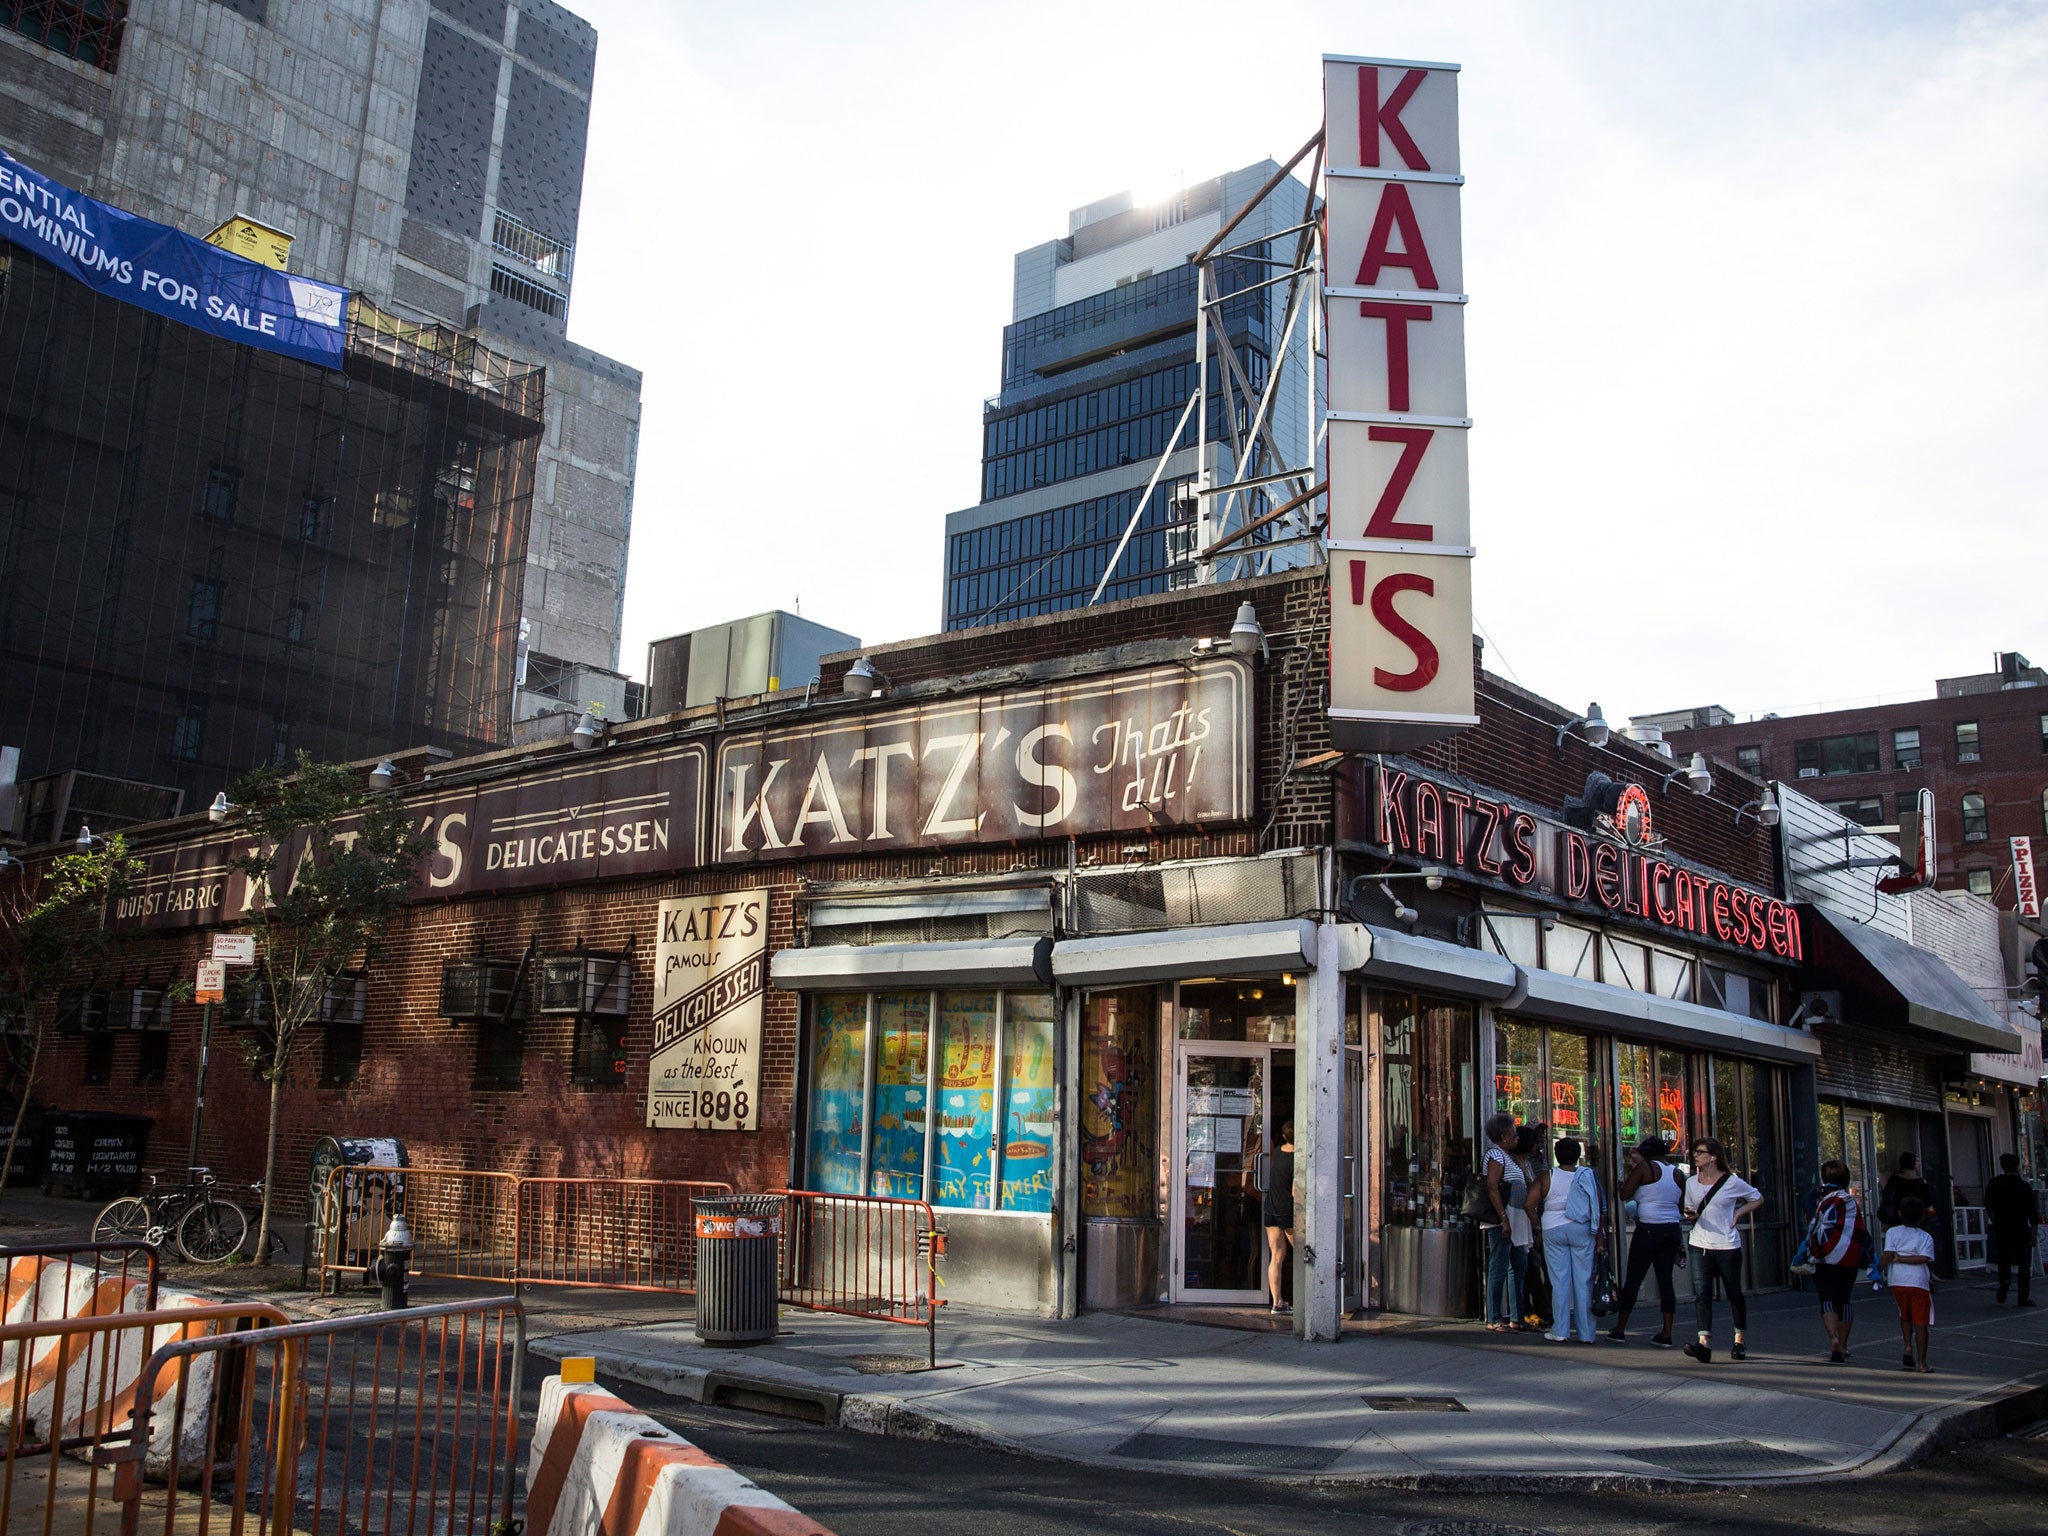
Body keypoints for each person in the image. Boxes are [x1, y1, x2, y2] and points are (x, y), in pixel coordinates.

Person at [1681, 1136, 1763, 1364]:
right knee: (1702, 1293)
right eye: (1694, 1152)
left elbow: (1757, 1198)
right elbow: (1689, 1209)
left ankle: (1739, 1339)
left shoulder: (1731, 1181)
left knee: (1733, 1292)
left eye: (1700, 1152)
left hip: (1727, 1244)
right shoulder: (1691, 1183)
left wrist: (1738, 1213)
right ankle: (1703, 1343)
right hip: (1700, 1243)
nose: (1695, 1155)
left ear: (1713, 1156)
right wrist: (1690, 1215)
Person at [1607, 1137, 1682, 1346]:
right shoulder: (1677, 1173)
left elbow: (1624, 1194)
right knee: (1665, 1280)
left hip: (1649, 1227)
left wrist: (1628, 1186)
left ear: (1647, 1153)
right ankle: (1666, 1333)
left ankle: (1620, 1328)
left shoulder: (1645, 1168)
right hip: (1672, 1228)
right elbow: (1681, 1202)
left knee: (1634, 1278)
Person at [1531, 1136, 1603, 1343]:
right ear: (1578, 1156)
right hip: (1582, 1229)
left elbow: (1529, 1203)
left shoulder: (1547, 1176)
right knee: (1584, 1281)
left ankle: (1560, 1330)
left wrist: (1538, 1226)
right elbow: (1598, 1208)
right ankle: (1587, 1333)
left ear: (1556, 1155)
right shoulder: (1587, 1176)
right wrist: (1599, 1239)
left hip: (1553, 1228)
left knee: (1559, 1281)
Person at [1806, 1160, 1869, 1364]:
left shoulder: (1816, 1198)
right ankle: (1843, 1345)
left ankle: (1832, 1338)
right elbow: (1859, 1229)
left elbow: (1809, 1219)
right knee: (1844, 1299)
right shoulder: (1850, 1201)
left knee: (1827, 1299)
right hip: (1848, 1257)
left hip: (1824, 1256)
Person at [1480, 1112, 1530, 1332]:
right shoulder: (1495, 1155)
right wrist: (1503, 1218)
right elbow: (1492, 1188)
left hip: (1516, 1217)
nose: (1516, 1136)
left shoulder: (1507, 1156)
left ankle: (1517, 1316)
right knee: (1499, 1265)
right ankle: (1494, 1317)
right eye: (1513, 1133)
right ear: (1503, 1135)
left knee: (1518, 1265)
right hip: (1504, 1218)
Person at [1883, 1195, 1936, 1372]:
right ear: (1922, 1216)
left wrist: (1878, 1269)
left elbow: (1888, 1254)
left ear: (1900, 1214)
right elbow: (1924, 1258)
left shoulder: (1892, 1232)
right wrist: (1905, 1259)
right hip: (1919, 1282)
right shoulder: (1925, 1237)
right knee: (1921, 1322)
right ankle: (1922, 1363)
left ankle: (1907, 1345)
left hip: (1897, 1281)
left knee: (1904, 1315)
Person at [1984, 1152, 2041, 1307]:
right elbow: (2032, 1211)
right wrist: (2034, 1232)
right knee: (2024, 1263)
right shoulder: (2023, 1186)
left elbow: (1988, 1204)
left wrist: (1995, 1220)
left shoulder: (1994, 1183)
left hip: (2002, 1227)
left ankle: (2004, 1281)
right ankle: (2023, 1297)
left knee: (2004, 1258)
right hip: (2021, 1227)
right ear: (2017, 1167)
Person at [1264, 1120, 1296, 1317]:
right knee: (1303, 1255)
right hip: (1288, 1210)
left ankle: (1277, 1302)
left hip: (1271, 1208)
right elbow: (1295, 1190)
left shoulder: (1277, 1151)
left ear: (1284, 1136)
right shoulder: (1298, 1157)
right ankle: (1305, 1299)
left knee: (1276, 1257)